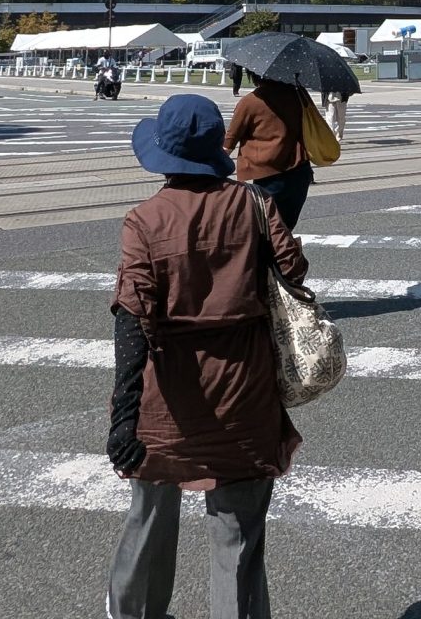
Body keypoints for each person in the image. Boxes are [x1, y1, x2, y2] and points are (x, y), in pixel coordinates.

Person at [105, 94, 306, 619]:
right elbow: (294, 271)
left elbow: (130, 321)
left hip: (167, 394)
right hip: (244, 392)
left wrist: (123, 421)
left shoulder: (144, 221)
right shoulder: (255, 205)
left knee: (148, 517)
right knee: (237, 539)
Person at [224, 76, 316, 229]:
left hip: (268, 176)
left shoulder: (251, 101)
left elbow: (229, 144)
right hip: (300, 171)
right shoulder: (298, 95)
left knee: (266, 232)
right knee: (285, 229)